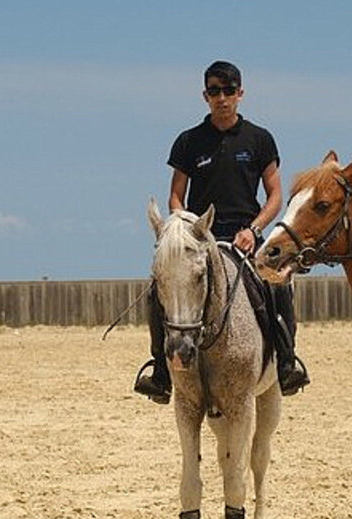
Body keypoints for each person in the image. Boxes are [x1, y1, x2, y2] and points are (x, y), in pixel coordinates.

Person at [134, 60, 310, 403]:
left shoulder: (259, 139)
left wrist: (255, 229)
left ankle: (287, 363)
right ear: (205, 95)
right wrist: (182, 229)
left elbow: (275, 196)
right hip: (201, 241)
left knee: (278, 286)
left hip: (246, 237)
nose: (222, 98)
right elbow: (176, 195)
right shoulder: (188, 141)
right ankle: (160, 371)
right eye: (215, 91)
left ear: (240, 94)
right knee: (159, 289)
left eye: (229, 91)